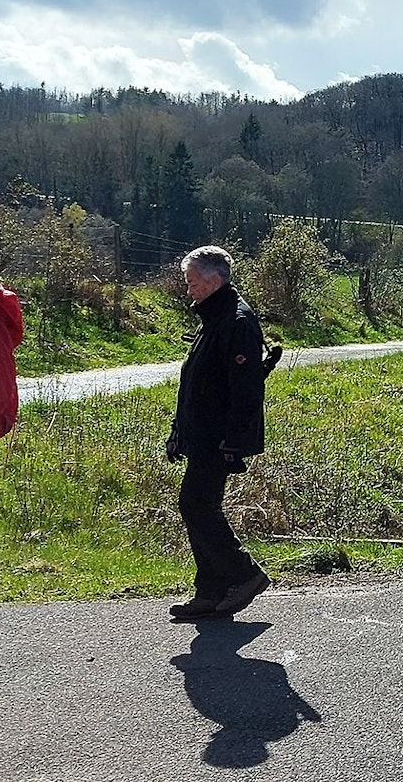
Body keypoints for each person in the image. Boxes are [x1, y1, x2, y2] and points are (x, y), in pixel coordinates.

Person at [165, 246, 272, 622]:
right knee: (197, 505)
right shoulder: (214, 318)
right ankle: (211, 591)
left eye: (193, 282)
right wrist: (180, 431)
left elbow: (246, 390)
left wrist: (234, 442)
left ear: (214, 281)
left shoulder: (236, 321)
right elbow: (198, 383)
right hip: (203, 432)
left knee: (197, 505)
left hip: (219, 436)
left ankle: (244, 575)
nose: (189, 289)